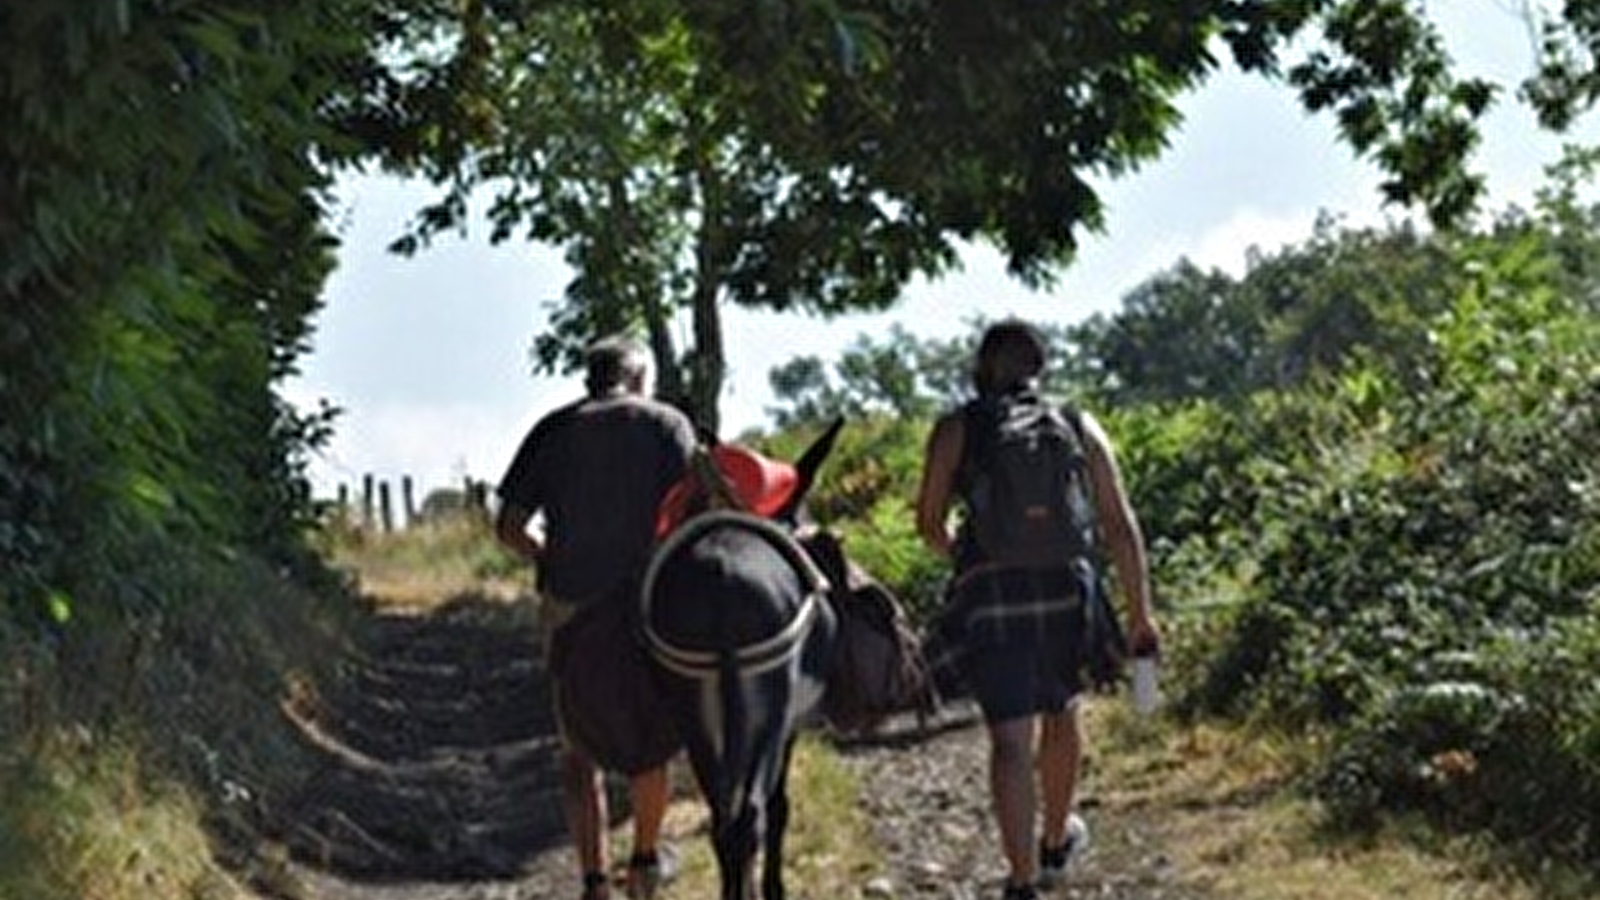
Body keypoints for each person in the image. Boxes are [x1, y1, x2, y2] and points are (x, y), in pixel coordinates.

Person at [914, 320, 1160, 900]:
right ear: (1039, 367)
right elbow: (1120, 525)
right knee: (1062, 710)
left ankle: (1021, 881)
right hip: (1067, 588)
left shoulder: (957, 427)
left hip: (994, 594)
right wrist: (1140, 614)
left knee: (1008, 739)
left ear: (983, 368)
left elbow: (927, 521)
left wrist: (968, 555)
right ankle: (1054, 841)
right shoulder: (1076, 423)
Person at [495, 335, 696, 900]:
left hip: (571, 602)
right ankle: (645, 864)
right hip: (648, 605)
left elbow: (510, 525)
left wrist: (548, 554)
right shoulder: (666, 424)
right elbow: (693, 509)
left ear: (591, 379)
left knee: (577, 745)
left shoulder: (554, 430)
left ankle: (592, 882)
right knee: (649, 735)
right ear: (638, 377)